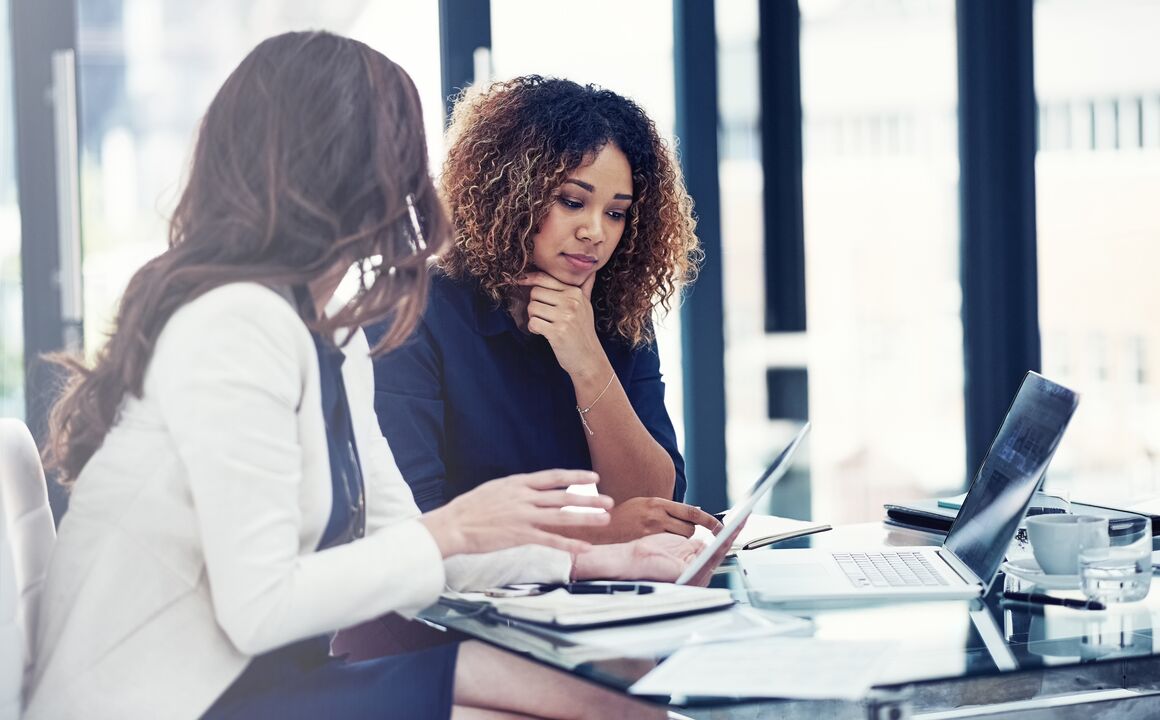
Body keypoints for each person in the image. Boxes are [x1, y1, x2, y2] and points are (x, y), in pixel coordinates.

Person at [25, 33, 708, 720]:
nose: (418, 185)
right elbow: (261, 609)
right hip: (171, 700)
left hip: (263, 681)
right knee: (602, 708)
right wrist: (458, 528)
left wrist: (585, 562)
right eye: (398, 151)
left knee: (614, 698)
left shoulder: (331, 333)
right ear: (329, 170)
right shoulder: (235, 325)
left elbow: (398, 539)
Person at [368, 76, 721, 544]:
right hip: (462, 589)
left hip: (586, 583)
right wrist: (593, 535)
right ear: (510, 193)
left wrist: (588, 360)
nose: (595, 231)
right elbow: (417, 521)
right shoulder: (410, 308)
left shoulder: (616, 312)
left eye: (616, 212)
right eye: (572, 202)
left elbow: (658, 503)